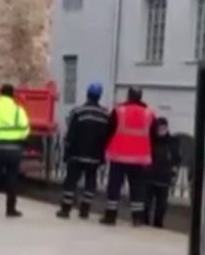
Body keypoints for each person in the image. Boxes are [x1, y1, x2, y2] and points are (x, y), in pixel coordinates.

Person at [101, 87, 156, 226]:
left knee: (114, 186)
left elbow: (109, 131)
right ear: (141, 96)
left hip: (119, 156)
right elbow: (154, 136)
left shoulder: (119, 111)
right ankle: (137, 218)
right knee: (137, 188)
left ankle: (110, 217)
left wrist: (105, 149)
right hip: (140, 158)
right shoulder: (149, 114)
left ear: (129, 96)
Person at [57, 82, 109, 220]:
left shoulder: (78, 112)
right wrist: (103, 156)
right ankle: (85, 210)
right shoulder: (105, 115)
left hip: (77, 154)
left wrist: (66, 153)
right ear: (99, 96)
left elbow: (71, 135)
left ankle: (65, 210)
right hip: (95, 156)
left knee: (71, 181)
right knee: (90, 182)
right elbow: (106, 137)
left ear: (88, 94)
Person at [0, 84, 30, 217]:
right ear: (13, 95)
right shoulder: (19, 110)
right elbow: (25, 129)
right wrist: (17, 138)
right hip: (14, 149)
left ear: (0, 94)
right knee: (12, 178)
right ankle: (10, 209)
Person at [144, 117, 181, 227]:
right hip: (150, 176)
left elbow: (177, 159)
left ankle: (158, 223)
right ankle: (145, 221)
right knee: (146, 202)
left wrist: (173, 174)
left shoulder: (172, 142)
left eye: (163, 128)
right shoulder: (151, 140)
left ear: (166, 128)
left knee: (161, 205)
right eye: (159, 128)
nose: (161, 130)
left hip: (164, 178)